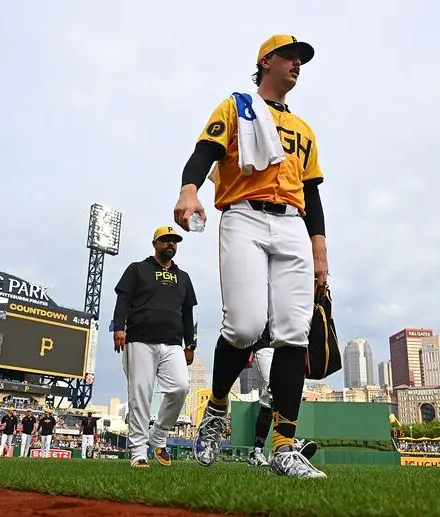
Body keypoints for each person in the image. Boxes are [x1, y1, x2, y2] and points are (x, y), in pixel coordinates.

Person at [173, 34, 329, 479]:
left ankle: (283, 447)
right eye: (290, 56)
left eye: (302, 59)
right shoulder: (237, 106)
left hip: (293, 225)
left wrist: (320, 249)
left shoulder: (304, 129)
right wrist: (190, 190)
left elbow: (313, 193)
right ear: (266, 61)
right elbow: (205, 152)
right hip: (244, 214)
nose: (298, 63)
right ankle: (217, 407)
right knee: (243, 327)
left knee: (293, 333)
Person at [112, 226, 196, 468]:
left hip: (173, 342)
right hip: (139, 339)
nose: (170, 244)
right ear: (155, 243)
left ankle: (158, 435)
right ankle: (138, 451)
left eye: (174, 241)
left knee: (180, 388)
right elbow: (123, 299)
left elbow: (188, 313)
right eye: (165, 240)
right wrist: (119, 327)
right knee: (140, 393)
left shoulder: (184, 277)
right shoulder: (138, 269)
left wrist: (190, 344)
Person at [246, 326, 318, 467]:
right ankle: (286, 443)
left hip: (287, 343)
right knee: (277, 390)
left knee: (268, 399)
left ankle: (256, 453)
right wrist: (247, 348)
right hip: (265, 342)